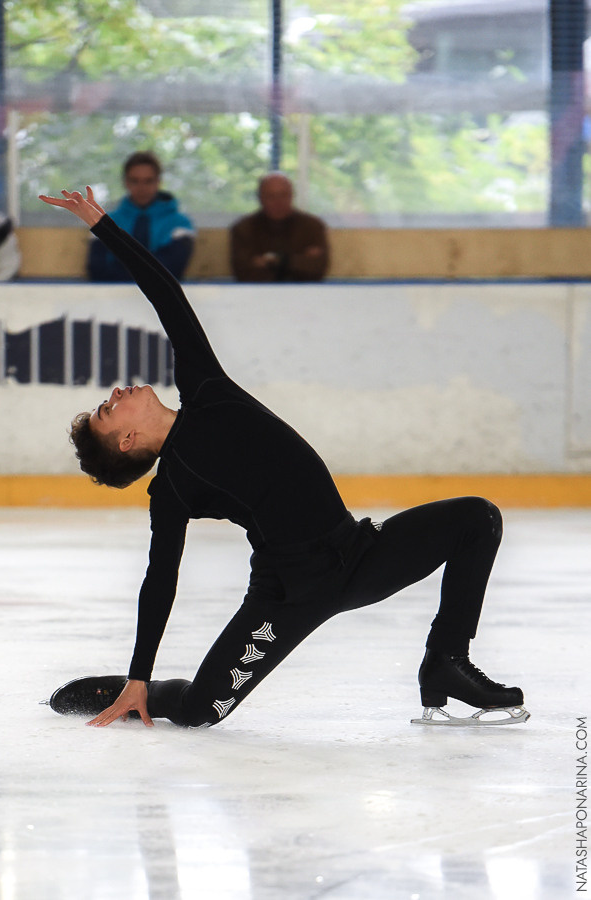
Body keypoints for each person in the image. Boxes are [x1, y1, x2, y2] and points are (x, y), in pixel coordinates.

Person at [39, 186, 528, 731]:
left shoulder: (206, 389)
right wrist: (138, 675)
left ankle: (445, 662)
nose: (115, 395)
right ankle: (138, 695)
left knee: (477, 518)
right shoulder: (171, 488)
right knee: (201, 711)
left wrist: (101, 223)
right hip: (287, 595)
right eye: (108, 411)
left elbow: (166, 294)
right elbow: (160, 579)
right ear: (127, 442)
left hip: (358, 554)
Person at [87, 151, 195, 282]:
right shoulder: (105, 222)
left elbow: (173, 269)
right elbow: (97, 269)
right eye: (135, 181)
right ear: (126, 182)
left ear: (158, 182)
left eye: (148, 181)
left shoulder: (180, 224)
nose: (141, 187)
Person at [229, 173, 329, 283]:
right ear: (260, 198)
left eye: (284, 195)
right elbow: (244, 273)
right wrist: (297, 262)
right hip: (259, 291)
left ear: (292, 196)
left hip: (304, 291)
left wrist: (271, 260)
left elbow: (317, 270)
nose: (278, 202)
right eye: (271, 196)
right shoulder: (243, 229)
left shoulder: (312, 227)